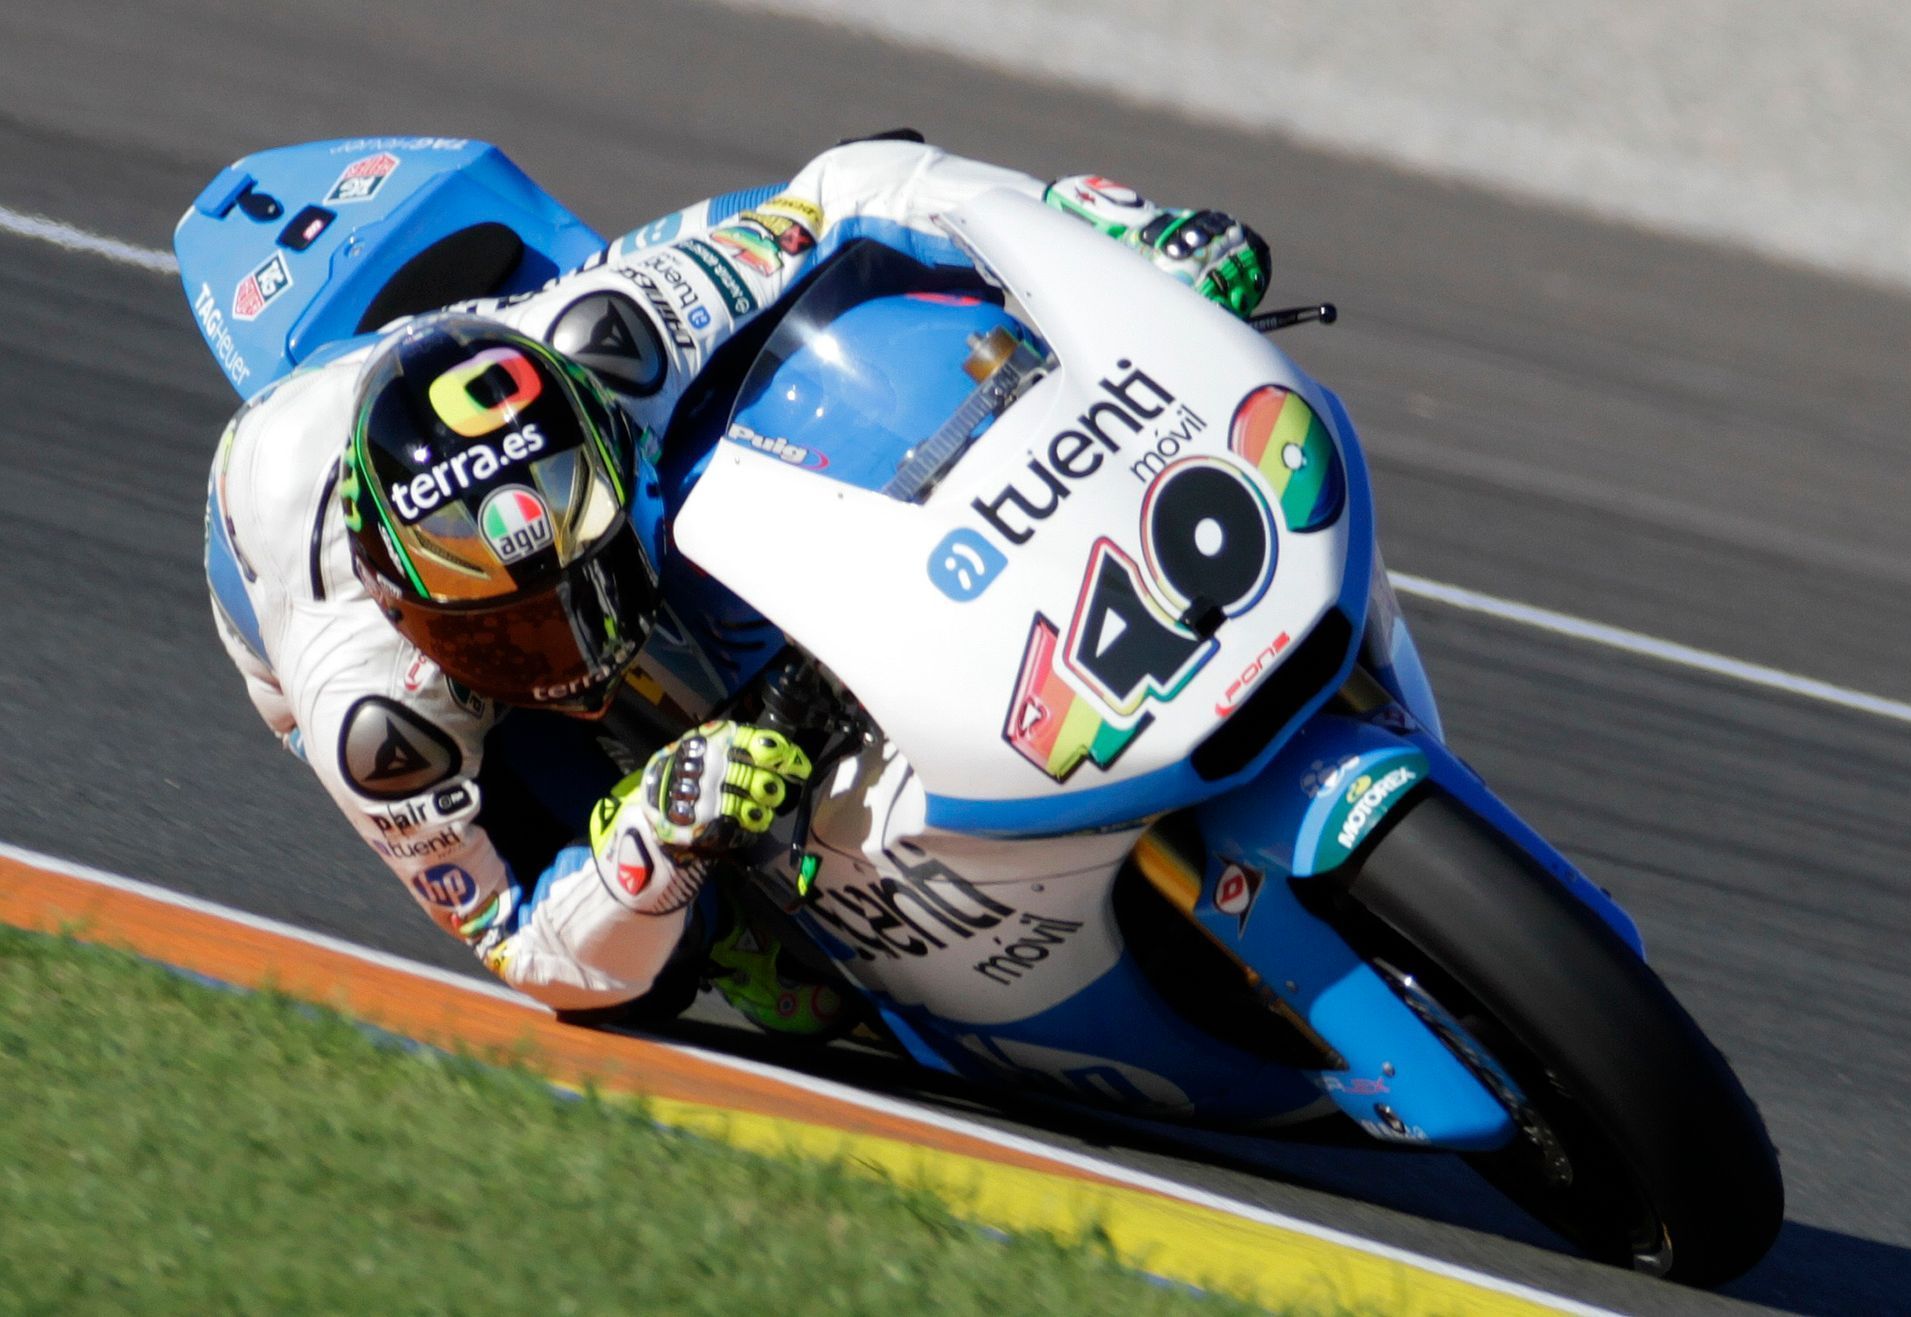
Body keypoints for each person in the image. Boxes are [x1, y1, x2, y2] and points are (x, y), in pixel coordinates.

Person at [205, 133, 1271, 1032]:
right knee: (646, 977)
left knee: (807, 340)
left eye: (580, 599)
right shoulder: (371, 716)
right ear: (409, 613)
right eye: (509, 641)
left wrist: (1103, 233)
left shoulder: (617, 338)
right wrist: (655, 837)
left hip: (532, 385)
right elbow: (527, 948)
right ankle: (732, 929)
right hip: (275, 571)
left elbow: (856, 185)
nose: (572, 662)